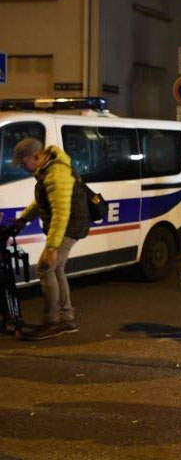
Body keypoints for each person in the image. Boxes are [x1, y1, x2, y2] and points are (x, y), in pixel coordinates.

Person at [11, 138, 89, 340]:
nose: (22, 168)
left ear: (35, 156)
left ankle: (53, 322)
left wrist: (52, 248)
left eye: (23, 163)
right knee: (57, 269)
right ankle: (66, 319)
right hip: (68, 225)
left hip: (69, 226)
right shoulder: (47, 169)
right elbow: (42, 201)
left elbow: (60, 213)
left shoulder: (56, 173)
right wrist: (23, 220)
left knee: (45, 267)